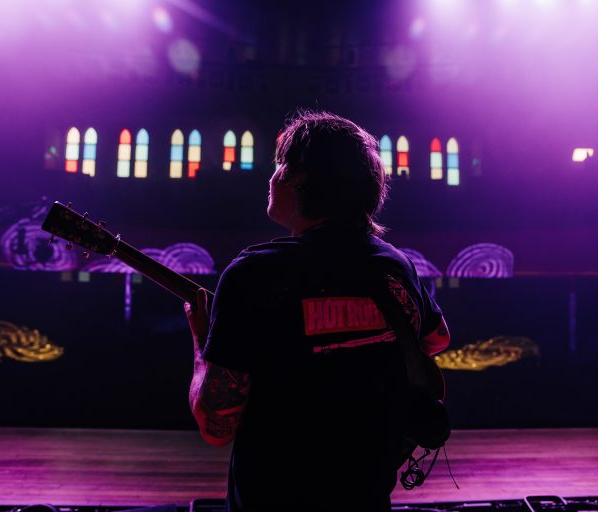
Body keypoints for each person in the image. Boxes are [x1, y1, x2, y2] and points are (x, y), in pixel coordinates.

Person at [185, 111, 450, 512]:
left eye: (280, 164)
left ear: (301, 178)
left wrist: (204, 345)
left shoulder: (253, 273)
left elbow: (216, 425)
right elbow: (437, 338)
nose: (272, 176)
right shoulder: (396, 266)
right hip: (366, 498)